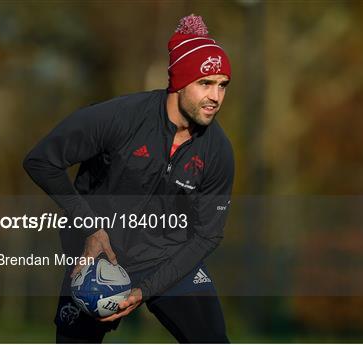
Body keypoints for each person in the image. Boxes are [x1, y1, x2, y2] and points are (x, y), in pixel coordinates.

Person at [23, 14, 234, 343]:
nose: (216, 97)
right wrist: (89, 228)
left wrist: (145, 290)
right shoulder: (118, 118)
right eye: (205, 83)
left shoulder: (218, 151)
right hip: (99, 255)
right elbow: (41, 161)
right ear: (179, 82)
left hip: (166, 257)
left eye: (223, 85)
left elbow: (208, 235)